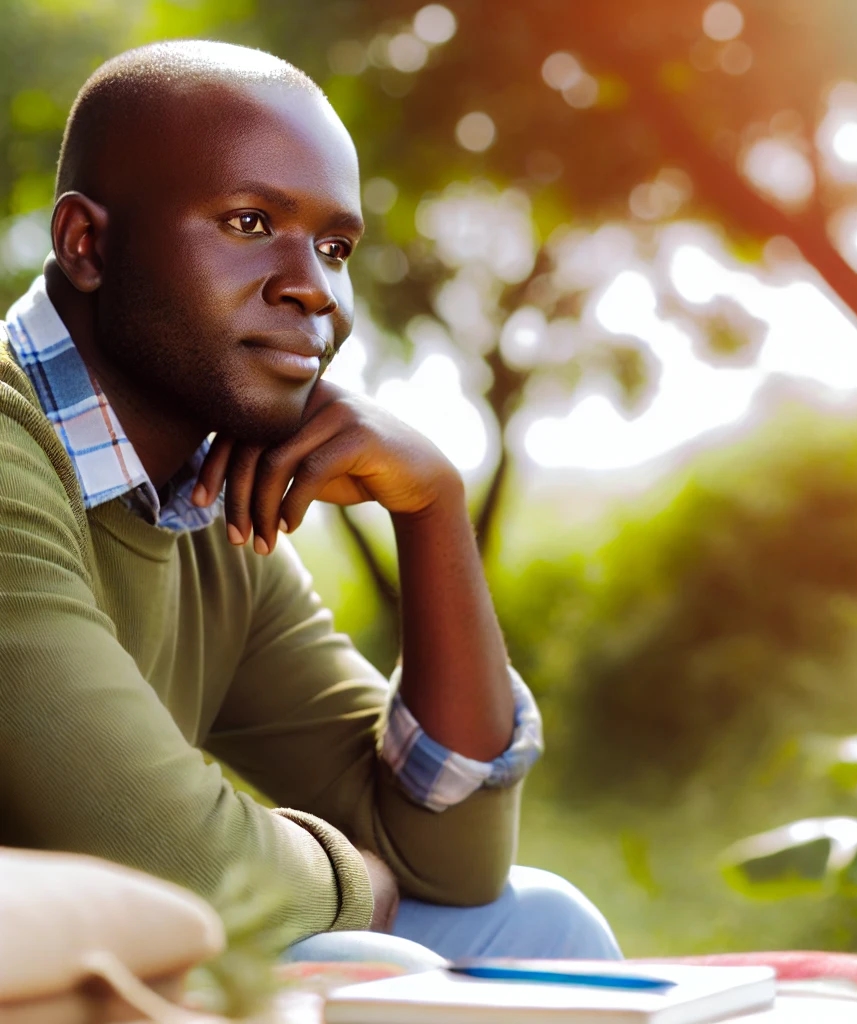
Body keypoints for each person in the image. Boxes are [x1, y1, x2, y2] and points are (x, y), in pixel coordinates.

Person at [0, 39, 621, 963]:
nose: (315, 291)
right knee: (373, 957)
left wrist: (432, 511)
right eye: (250, 223)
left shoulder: (200, 501)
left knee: (539, 922)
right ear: (87, 244)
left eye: (334, 246)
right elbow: (183, 864)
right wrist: (356, 882)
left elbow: (456, 864)